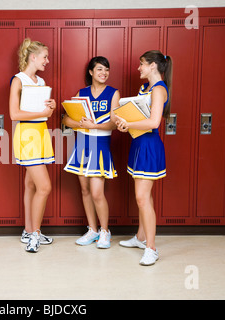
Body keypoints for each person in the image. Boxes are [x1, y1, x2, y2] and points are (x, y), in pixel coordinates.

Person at [113, 50, 172, 266]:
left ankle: (152, 248)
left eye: (142, 64)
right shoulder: (145, 88)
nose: (139, 68)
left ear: (153, 66)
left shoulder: (158, 90)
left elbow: (154, 122)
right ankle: (140, 238)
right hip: (138, 142)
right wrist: (124, 122)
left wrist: (128, 124)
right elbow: (140, 116)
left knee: (142, 197)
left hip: (149, 144)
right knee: (144, 196)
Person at [63, 56, 119, 249]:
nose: (104, 73)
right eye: (100, 70)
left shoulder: (113, 93)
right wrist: (80, 123)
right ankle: (93, 230)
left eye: (107, 70)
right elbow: (66, 119)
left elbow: (114, 122)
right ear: (91, 72)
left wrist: (93, 125)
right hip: (82, 145)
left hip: (100, 146)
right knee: (85, 190)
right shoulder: (82, 92)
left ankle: (105, 231)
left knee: (97, 192)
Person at [9, 38, 56, 252]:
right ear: (33, 57)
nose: (47, 61)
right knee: (44, 186)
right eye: (45, 57)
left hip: (41, 133)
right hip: (27, 135)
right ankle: (35, 234)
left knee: (30, 185)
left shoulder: (41, 82)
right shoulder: (18, 80)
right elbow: (14, 114)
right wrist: (43, 113)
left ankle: (28, 230)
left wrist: (51, 107)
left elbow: (44, 111)